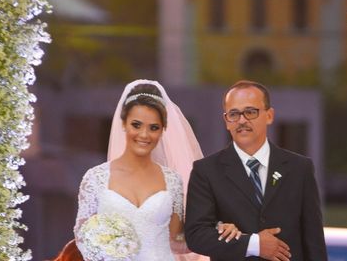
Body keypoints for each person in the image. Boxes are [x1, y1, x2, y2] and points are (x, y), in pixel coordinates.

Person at [74, 79, 240, 261]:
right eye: (136, 125)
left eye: (153, 127)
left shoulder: (172, 180)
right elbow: (83, 236)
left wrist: (215, 232)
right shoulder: (96, 178)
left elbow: (177, 241)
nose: (144, 135)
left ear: (162, 131)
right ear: (123, 124)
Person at [184, 80, 328, 261]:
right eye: (234, 114)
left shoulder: (300, 168)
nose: (242, 120)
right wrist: (253, 244)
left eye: (250, 112)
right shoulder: (206, 171)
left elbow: (314, 242)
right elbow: (196, 236)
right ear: (226, 121)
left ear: (269, 115)